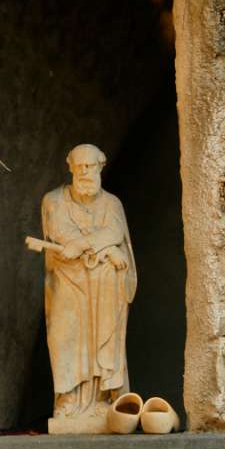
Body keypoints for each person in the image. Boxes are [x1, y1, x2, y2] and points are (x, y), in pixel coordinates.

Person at [39, 144, 136, 429]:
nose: (84, 171)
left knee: (103, 339)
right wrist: (107, 250)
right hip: (67, 284)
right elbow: (59, 233)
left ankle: (105, 400)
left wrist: (87, 246)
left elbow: (114, 231)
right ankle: (68, 400)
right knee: (65, 337)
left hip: (104, 288)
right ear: (70, 167)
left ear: (100, 167)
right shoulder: (53, 201)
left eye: (90, 166)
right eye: (79, 166)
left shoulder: (111, 204)